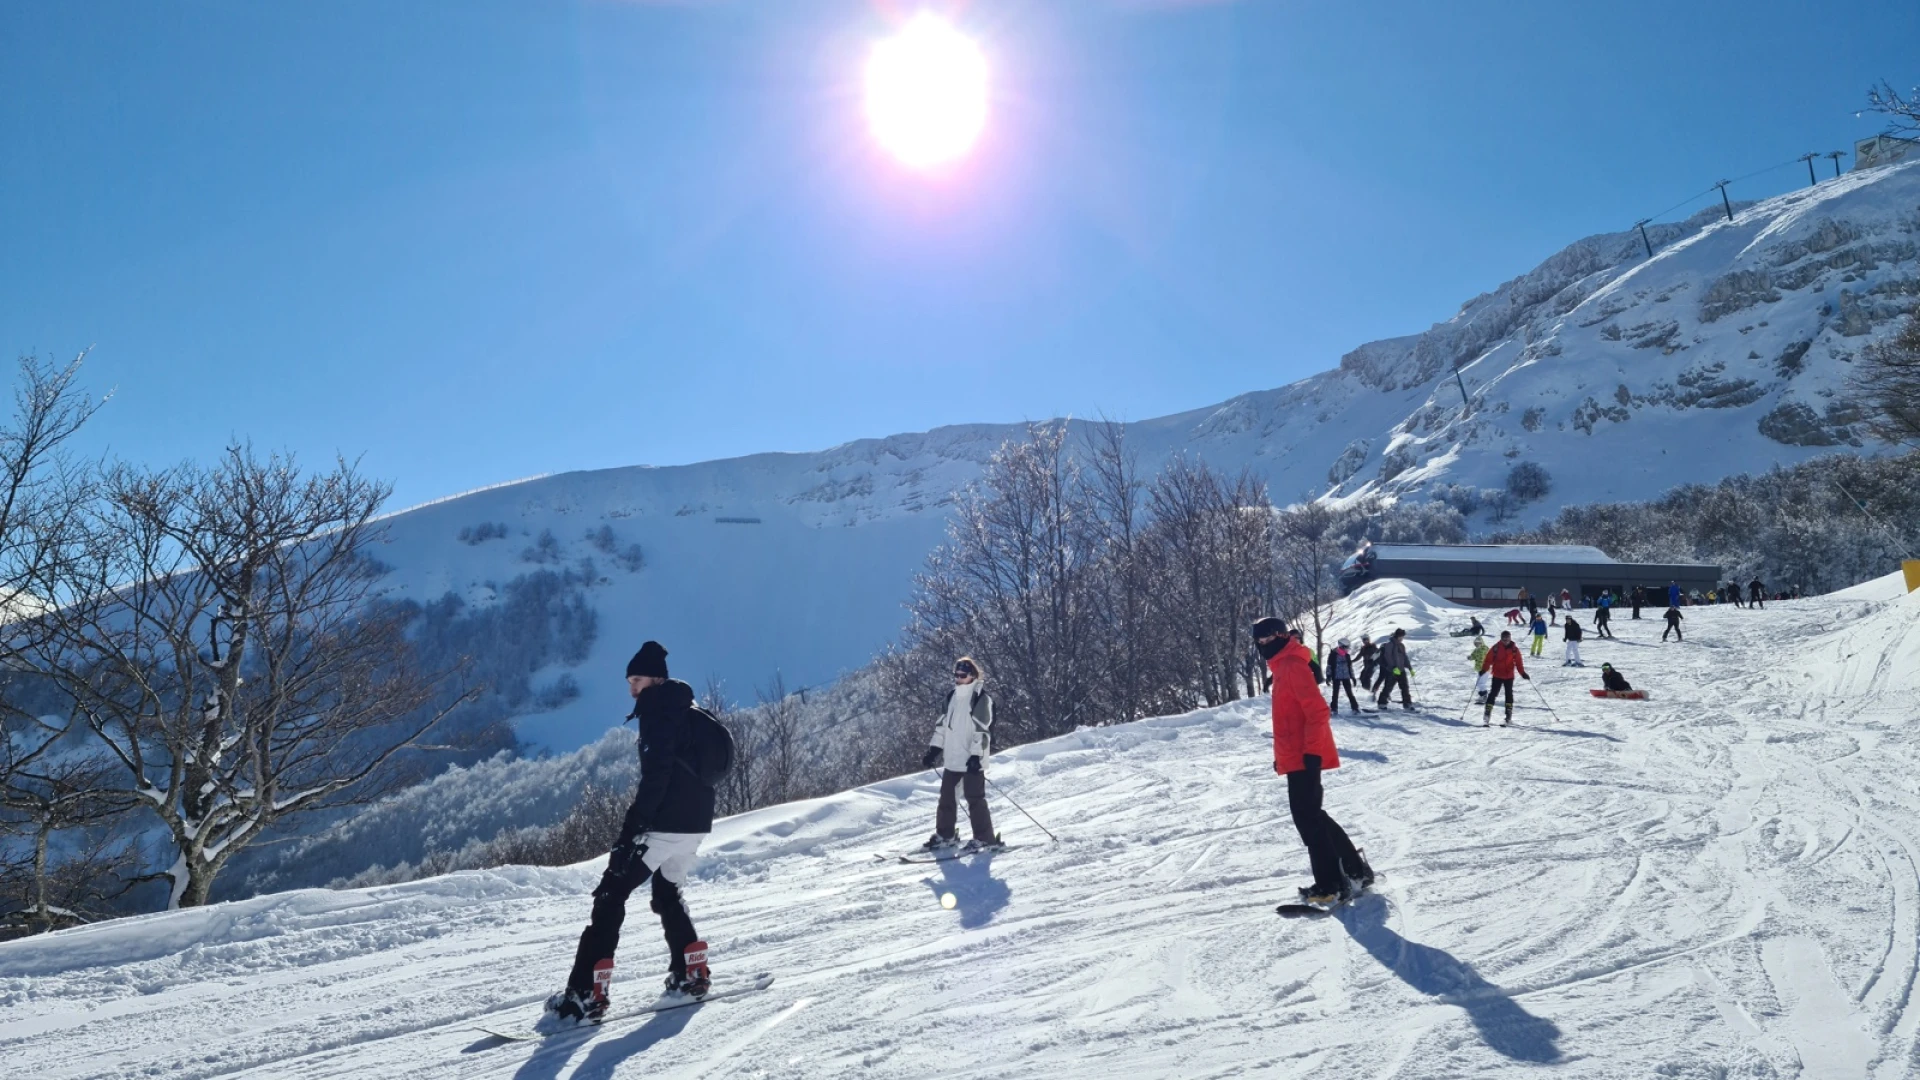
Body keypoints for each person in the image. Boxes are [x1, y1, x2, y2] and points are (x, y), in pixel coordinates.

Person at [546, 641, 716, 1026]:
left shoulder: (658, 712)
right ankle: (692, 972)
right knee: (667, 893)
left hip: (664, 826)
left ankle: (584, 996)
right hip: (695, 825)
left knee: (610, 896)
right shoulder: (687, 711)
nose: (631, 689)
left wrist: (630, 831)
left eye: (636, 680)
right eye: (629, 681)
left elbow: (656, 780)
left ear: (655, 679)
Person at [1254, 617, 1372, 906]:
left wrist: (1310, 753)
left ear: (1282, 635)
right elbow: (1289, 718)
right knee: (1313, 815)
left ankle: (1331, 883)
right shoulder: (1282, 666)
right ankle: (1356, 871)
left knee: (1307, 819)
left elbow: (1318, 712)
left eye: (1268, 639)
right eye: (1259, 641)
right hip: (1296, 755)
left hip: (1305, 755)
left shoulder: (1292, 665)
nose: (1263, 645)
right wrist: (1283, 756)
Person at [920, 657, 998, 855]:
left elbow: (982, 730)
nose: (958, 678)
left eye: (962, 675)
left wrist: (976, 756)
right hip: (953, 758)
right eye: (956, 674)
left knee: (975, 799)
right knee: (946, 798)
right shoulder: (951, 697)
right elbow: (942, 728)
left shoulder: (981, 698)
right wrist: (934, 750)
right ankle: (945, 836)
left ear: (972, 675)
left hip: (972, 759)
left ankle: (984, 839)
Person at [1478, 630, 1529, 726]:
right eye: (1504, 638)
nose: (1506, 640)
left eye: (1507, 638)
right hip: (1497, 674)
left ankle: (1508, 715)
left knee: (1509, 694)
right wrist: (1484, 669)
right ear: (1501, 638)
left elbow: (1518, 662)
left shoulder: (1514, 649)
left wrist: (1522, 673)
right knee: (1493, 693)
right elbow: (1488, 660)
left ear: (1510, 638)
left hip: (1509, 676)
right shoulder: (1496, 648)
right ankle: (1487, 713)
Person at [1374, 628, 1414, 711]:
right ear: (1398, 636)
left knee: (1405, 687)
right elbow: (1388, 657)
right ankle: (1381, 703)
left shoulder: (1401, 646)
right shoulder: (1389, 645)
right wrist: (1393, 668)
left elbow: (1404, 657)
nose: (1403, 638)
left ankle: (1407, 703)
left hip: (1401, 670)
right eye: (1402, 636)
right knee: (1388, 687)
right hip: (1392, 671)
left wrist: (1410, 668)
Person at [1326, 638, 1361, 714]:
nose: (1348, 649)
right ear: (1341, 646)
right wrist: (1328, 676)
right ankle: (1334, 709)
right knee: (1335, 693)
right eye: (1346, 647)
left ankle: (1355, 708)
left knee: (1349, 693)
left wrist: (1353, 677)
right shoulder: (1333, 655)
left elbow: (1349, 667)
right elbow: (1329, 666)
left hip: (1346, 677)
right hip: (1336, 677)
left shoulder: (1347, 656)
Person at [1468, 635, 1491, 704]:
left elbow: (1486, 657)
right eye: (1476, 643)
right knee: (1479, 683)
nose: (1478, 644)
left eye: (1479, 643)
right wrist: (1470, 657)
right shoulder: (1476, 650)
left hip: (1484, 669)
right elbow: (1473, 656)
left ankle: (1484, 696)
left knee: (1481, 683)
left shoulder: (1485, 649)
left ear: (1482, 643)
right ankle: (1482, 695)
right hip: (1479, 669)